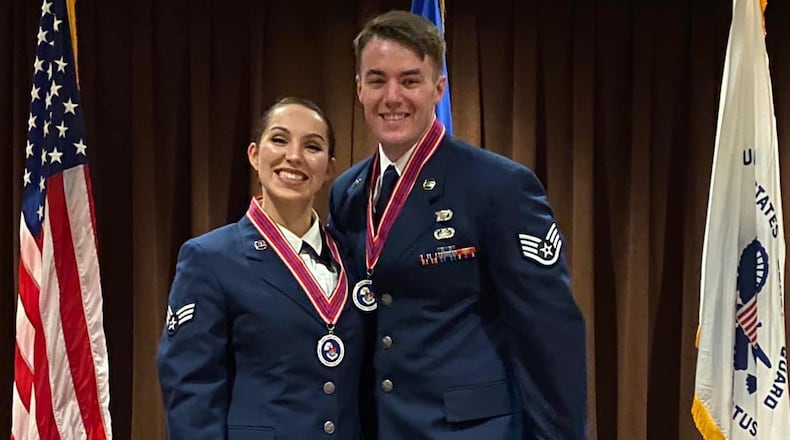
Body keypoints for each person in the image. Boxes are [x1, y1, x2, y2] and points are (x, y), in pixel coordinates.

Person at [327, 10, 587, 440]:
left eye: (410, 80)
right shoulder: (348, 193)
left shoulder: (498, 186)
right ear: (359, 89)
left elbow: (550, 336)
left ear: (438, 89)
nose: (392, 96)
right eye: (377, 80)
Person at [157, 97, 367, 439]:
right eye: (280, 140)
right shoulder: (209, 259)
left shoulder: (353, 259)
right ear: (255, 155)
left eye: (312, 146)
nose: (294, 156)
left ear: (329, 168)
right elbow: (191, 391)